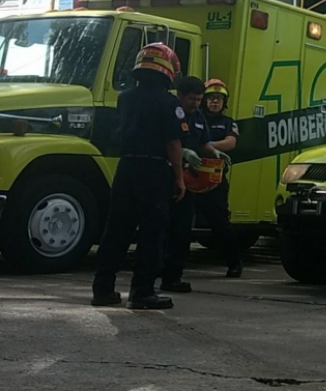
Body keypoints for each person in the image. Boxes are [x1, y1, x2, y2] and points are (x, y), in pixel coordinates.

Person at [92, 43, 186, 310]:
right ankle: (142, 292)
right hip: (153, 170)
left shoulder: (125, 98)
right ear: (168, 69)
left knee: (116, 230)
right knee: (152, 232)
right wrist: (179, 179)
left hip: (126, 168)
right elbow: (173, 144)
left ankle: (103, 290)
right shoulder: (169, 102)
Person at [161, 76, 217, 293]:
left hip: (189, 180)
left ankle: (173, 276)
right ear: (180, 95)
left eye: (199, 99)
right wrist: (183, 152)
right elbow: (164, 141)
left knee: (182, 231)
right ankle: (157, 270)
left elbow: (204, 142)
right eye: (192, 99)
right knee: (162, 228)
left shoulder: (199, 116)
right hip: (166, 175)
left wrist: (214, 153)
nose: (195, 103)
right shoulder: (172, 111)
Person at [197, 78, 243, 278]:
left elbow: (230, 143)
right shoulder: (196, 118)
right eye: (211, 98)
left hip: (214, 179)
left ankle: (234, 263)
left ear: (225, 102)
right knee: (178, 222)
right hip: (191, 175)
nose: (214, 102)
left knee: (220, 223)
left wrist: (206, 147)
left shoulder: (227, 123)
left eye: (218, 98)